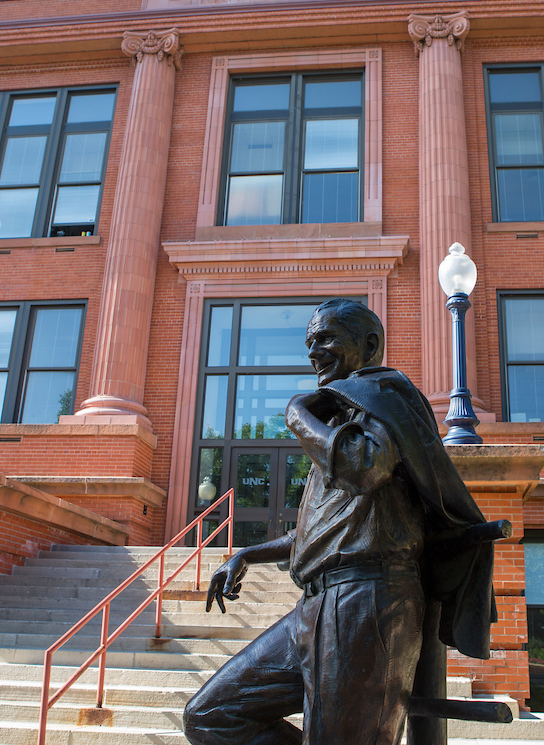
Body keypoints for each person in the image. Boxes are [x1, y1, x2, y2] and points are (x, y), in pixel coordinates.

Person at [183, 299, 494, 745]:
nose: (314, 352)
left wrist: (297, 414)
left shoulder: (385, 397)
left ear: (369, 345)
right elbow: (322, 533)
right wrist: (248, 553)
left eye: (326, 338)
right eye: (310, 342)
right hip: (315, 606)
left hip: (366, 600)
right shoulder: (343, 416)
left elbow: (363, 467)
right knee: (211, 715)